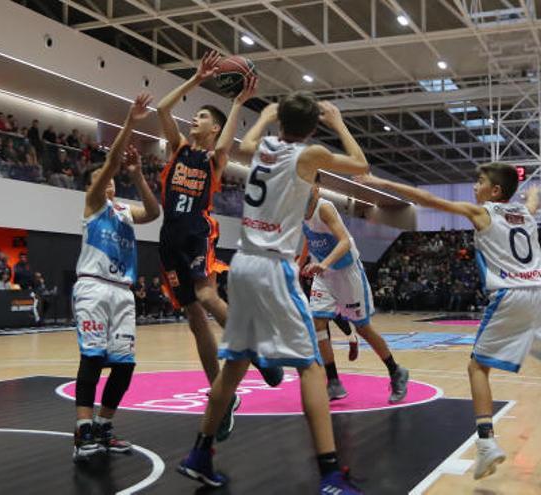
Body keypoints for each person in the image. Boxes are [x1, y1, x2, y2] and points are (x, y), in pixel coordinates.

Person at [177, 93, 368, 493]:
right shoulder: (308, 154)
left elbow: (241, 146)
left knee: (234, 367)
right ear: (313, 127)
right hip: (273, 267)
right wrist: (339, 123)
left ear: (280, 121)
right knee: (311, 367)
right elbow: (361, 166)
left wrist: (262, 118)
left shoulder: (263, 146)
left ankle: (200, 453)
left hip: (243, 263)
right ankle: (331, 474)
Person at [357, 166, 541, 481]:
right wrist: (533, 189)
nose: (473, 187)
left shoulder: (483, 213)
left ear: (495, 192)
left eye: (480, 182)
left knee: (476, 368)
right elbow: (532, 201)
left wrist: (380, 182)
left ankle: (486, 442)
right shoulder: (524, 214)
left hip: (510, 294)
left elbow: (426, 197)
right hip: (537, 292)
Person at [156, 50, 277, 442]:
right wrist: (195, 78)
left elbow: (228, 142)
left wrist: (238, 101)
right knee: (194, 321)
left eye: (204, 117)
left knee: (208, 297)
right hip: (169, 236)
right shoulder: (177, 148)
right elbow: (161, 108)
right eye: (197, 115)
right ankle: (220, 396)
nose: (196, 118)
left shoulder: (213, 157)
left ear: (215, 128)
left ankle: (257, 350)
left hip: (196, 230)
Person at [71, 93, 159, 461]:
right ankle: (82, 433)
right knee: (92, 359)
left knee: (124, 365)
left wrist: (138, 176)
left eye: (109, 181)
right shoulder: (93, 204)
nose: (107, 182)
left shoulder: (123, 210)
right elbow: (108, 164)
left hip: (122, 291)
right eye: (102, 179)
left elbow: (154, 213)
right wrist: (130, 121)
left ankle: (105, 428)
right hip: (93, 286)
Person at [301, 185, 409, 402]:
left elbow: (344, 242)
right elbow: (308, 236)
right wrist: (300, 262)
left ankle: (396, 370)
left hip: (346, 272)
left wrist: (323, 263)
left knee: (363, 328)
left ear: (315, 188)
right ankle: (333, 381)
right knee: (318, 323)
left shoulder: (325, 208)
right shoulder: (298, 209)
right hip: (324, 275)